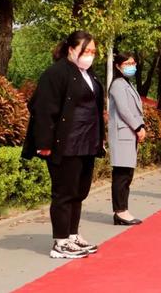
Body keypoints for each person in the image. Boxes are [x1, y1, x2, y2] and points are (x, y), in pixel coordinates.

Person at [22, 31, 104, 259]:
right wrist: (44, 143)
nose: (89, 56)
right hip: (65, 143)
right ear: (71, 49)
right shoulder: (56, 73)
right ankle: (60, 242)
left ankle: (72, 234)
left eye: (93, 52)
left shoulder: (89, 74)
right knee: (64, 193)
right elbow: (43, 109)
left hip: (87, 142)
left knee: (79, 191)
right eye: (85, 51)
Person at [108, 52, 145, 226]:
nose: (131, 66)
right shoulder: (117, 84)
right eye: (127, 63)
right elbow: (123, 109)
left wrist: (140, 126)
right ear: (118, 66)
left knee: (127, 175)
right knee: (122, 175)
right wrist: (138, 126)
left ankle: (123, 209)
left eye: (133, 62)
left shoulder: (127, 84)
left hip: (129, 134)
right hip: (123, 133)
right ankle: (120, 211)